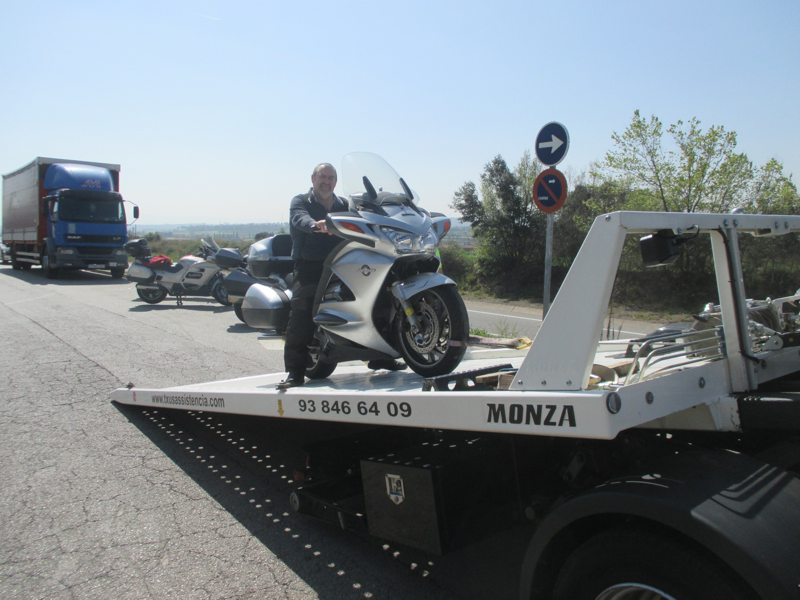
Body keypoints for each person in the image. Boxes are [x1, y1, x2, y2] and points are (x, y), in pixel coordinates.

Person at [279, 163, 404, 388]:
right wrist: (315, 224)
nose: (326, 181)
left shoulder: (343, 205)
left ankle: (380, 356)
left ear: (336, 182)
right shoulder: (301, 201)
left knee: (377, 298)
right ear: (313, 178)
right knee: (302, 308)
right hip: (311, 267)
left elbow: (365, 218)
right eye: (322, 177)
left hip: (344, 264)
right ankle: (295, 372)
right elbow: (299, 218)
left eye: (331, 178)